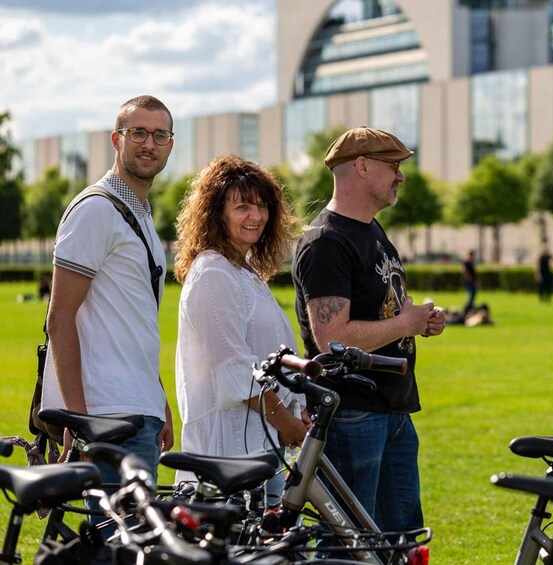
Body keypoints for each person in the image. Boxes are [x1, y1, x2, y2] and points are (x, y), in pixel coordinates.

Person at [292, 126, 446, 533]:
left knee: (399, 540)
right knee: (345, 543)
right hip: (353, 413)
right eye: (393, 165)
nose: (401, 175)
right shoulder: (326, 241)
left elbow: (384, 310)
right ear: (361, 166)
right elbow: (332, 338)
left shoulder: (371, 231)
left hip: (391, 408)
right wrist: (405, 322)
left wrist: (419, 322)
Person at [41, 95, 175, 481]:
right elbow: (59, 317)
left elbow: (134, 318)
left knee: (129, 539)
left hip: (139, 409)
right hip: (106, 416)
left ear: (170, 145)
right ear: (116, 140)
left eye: (159, 135)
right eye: (138, 133)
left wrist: (158, 397)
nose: (149, 144)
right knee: (113, 539)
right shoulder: (97, 209)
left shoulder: (140, 212)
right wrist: (80, 422)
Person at [173, 155, 310, 498]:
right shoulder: (213, 273)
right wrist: (288, 423)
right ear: (217, 212)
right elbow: (236, 371)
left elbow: (270, 361)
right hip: (228, 456)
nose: (256, 216)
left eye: (262, 206)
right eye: (243, 207)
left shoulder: (244, 271)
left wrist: (298, 410)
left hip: (262, 448)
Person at [461, 250, 478, 317]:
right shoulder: (467, 262)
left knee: (472, 295)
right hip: (469, 282)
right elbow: (464, 271)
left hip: (472, 281)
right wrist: (468, 278)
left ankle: (470, 307)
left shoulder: (471, 262)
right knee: (470, 295)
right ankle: (467, 308)